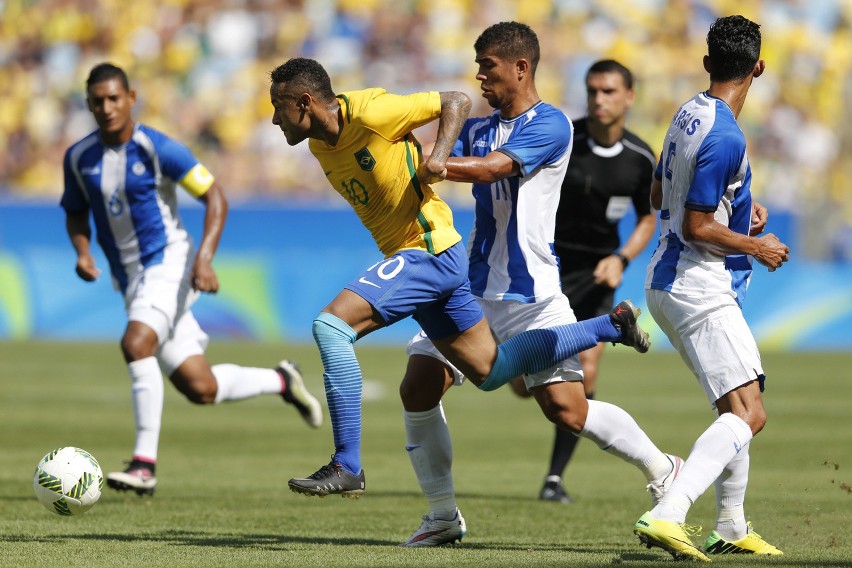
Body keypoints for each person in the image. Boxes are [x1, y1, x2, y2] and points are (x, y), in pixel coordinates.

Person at [268, 57, 651, 500]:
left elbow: (455, 100)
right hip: (440, 260)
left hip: (429, 249)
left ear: (305, 101)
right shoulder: (320, 144)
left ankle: (347, 464)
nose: (275, 118)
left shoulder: (371, 113)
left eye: (279, 106)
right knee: (491, 373)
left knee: (331, 328)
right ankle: (608, 327)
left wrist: (439, 158)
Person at [396, 22, 681, 547]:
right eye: (478, 66)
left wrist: (433, 162)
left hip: (534, 294)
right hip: (471, 288)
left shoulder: (552, 125)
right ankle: (442, 516)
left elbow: (488, 171)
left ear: (521, 68)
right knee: (417, 386)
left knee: (566, 410)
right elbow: (423, 153)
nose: (479, 76)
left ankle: (664, 469)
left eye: (489, 66)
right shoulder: (478, 126)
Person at [61, 63, 323, 497]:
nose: (106, 108)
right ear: (89, 104)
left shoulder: (157, 148)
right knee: (199, 387)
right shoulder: (79, 158)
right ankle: (282, 379)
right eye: (97, 101)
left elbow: (214, 195)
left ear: (131, 97)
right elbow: (74, 210)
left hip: (170, 263)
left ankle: (144, 465)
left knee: (136, 343)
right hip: (131, 282)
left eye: (113, 98)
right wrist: (83, 251)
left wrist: (203, 259)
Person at [632, 15, 788, 560]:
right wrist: (758, 245)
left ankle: (731, 525)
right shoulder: (725, 134)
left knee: (734, 408)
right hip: (695, 283)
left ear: (707, 64)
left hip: (670, 279)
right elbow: (697, 226)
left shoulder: (688, 113)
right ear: (759, 68)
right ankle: (668, 513)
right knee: (750, 414)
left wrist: (740, 211)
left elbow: (659, 195)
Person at [509, 59, 659, 505]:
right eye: (593, 90)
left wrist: (622, 257)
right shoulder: (564, 140)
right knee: (522, 382)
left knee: (587, 369)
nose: (599, 99)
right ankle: (524, 376)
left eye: (609, 91)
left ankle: (554, 479)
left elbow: (648, 217)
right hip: (548, 268)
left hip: (598, 275)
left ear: (629, 96)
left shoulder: (640, 158)